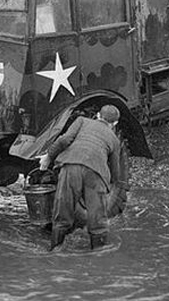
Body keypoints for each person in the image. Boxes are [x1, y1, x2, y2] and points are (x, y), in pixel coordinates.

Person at [39, 104, 125, 250]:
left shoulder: (81, 121)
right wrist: (111, 188)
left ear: (98, 115)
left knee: (62, 215)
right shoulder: (114, 140)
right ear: (115, 123)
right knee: (98, 222)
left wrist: (48, 157)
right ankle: (98, 253)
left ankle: (55, 251)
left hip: (70, 166)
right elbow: (116, 172)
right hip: (96, 174)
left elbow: (64, 140)